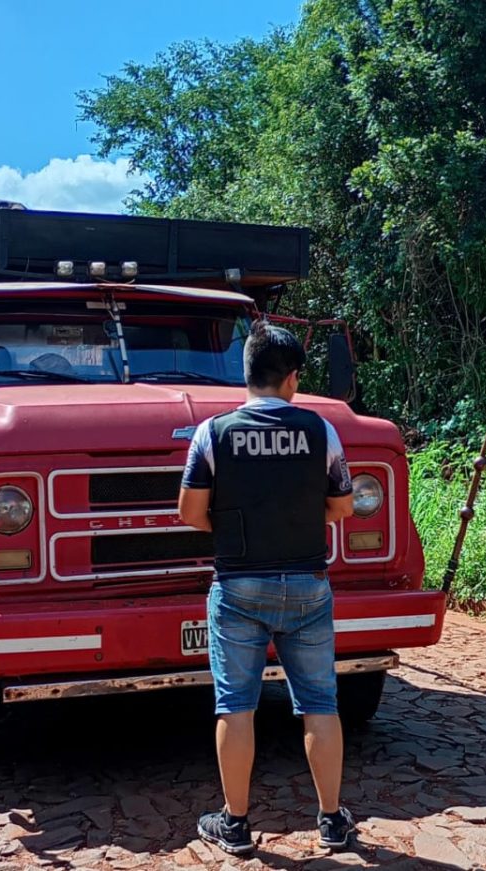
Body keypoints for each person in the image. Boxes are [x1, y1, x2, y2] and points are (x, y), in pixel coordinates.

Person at [177, 321, 355, 855]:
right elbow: (343, 506)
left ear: (247, 373)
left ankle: (235, 824)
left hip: (237, 585)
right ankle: (332, 821)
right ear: (292, 379)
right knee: (320, 702)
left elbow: (190, 512)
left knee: (236, 705)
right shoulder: (321, 431)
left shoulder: (213, 432)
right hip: (307, 582)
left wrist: (235, 527)